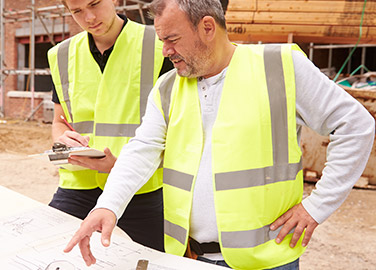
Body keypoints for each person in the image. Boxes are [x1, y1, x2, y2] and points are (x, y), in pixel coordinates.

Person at [64, 0, 375, 269]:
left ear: (208, 27)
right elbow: (142, 149)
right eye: (162, 40)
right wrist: (108, 205)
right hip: (188, 258)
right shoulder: (168, 88)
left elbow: (356, 125)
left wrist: (317, 206)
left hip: (265, 261)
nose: (165, 51)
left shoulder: (279, 67)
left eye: (172, 39)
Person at [46, 0, 172, 252]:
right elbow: (59, 123)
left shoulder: (159, 45)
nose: (89, 17)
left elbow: (179, 128)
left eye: (95, 4)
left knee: (160, 259)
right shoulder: (60, 55)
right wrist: (63, 139)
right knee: (50, 251)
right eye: (77, 11)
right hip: (78, 184)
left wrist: (120, 165)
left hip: (140, 184)